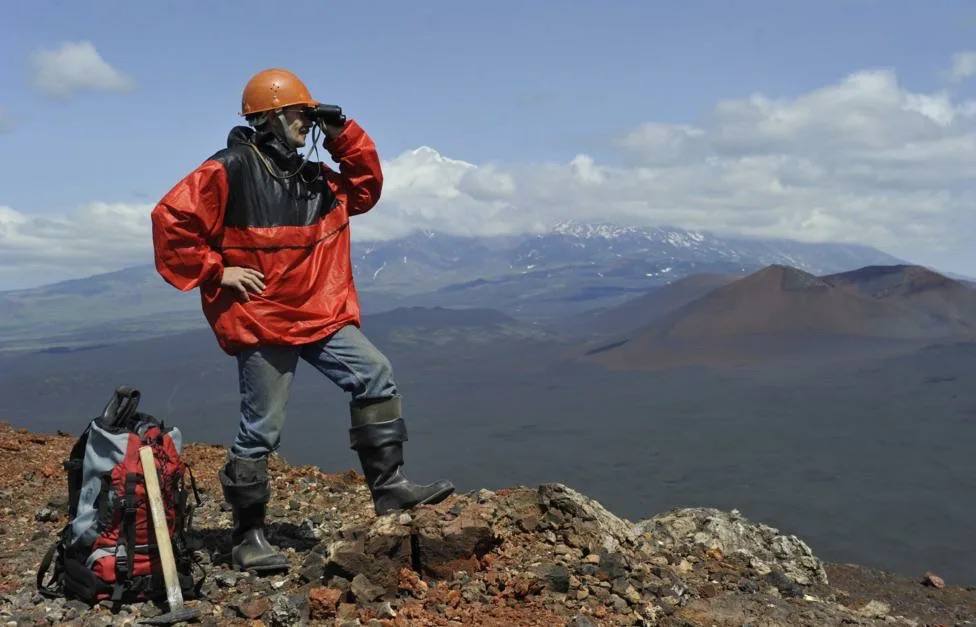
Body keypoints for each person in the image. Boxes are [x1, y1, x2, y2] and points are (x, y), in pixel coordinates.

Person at [151, 68, 454, 573]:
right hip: (263, 319)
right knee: (261, 429)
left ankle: (390, 488)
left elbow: (365, 188)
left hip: (320, 312)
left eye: (309, 116)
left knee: (375, 376)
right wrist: (217, 270)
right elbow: (171, 220)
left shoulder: (312, 176)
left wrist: (342, 132)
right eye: (298, 114)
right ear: (269, 117)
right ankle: (248, 537)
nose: (305, 123)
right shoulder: (229, 169)